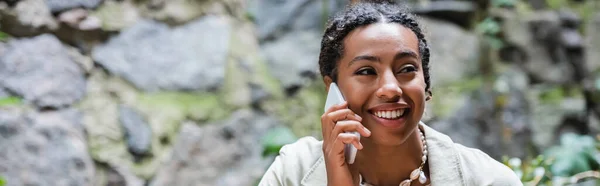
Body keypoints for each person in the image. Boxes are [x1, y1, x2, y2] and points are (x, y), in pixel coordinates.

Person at [259, 1, 522, 185]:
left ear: (426, 84)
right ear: (333, 89)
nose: (390, 88)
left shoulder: (489, 180)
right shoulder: (291, 174)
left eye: (406, 68)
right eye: (366, 71)